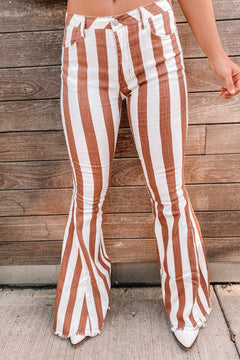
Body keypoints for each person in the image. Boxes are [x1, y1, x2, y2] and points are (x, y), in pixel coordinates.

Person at [52, 0, 240, 351]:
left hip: (152, 36)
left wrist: (217, 54)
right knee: (88, 193)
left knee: (169, 191)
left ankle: (187, 302)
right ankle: (82, 301)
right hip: (84, 41)